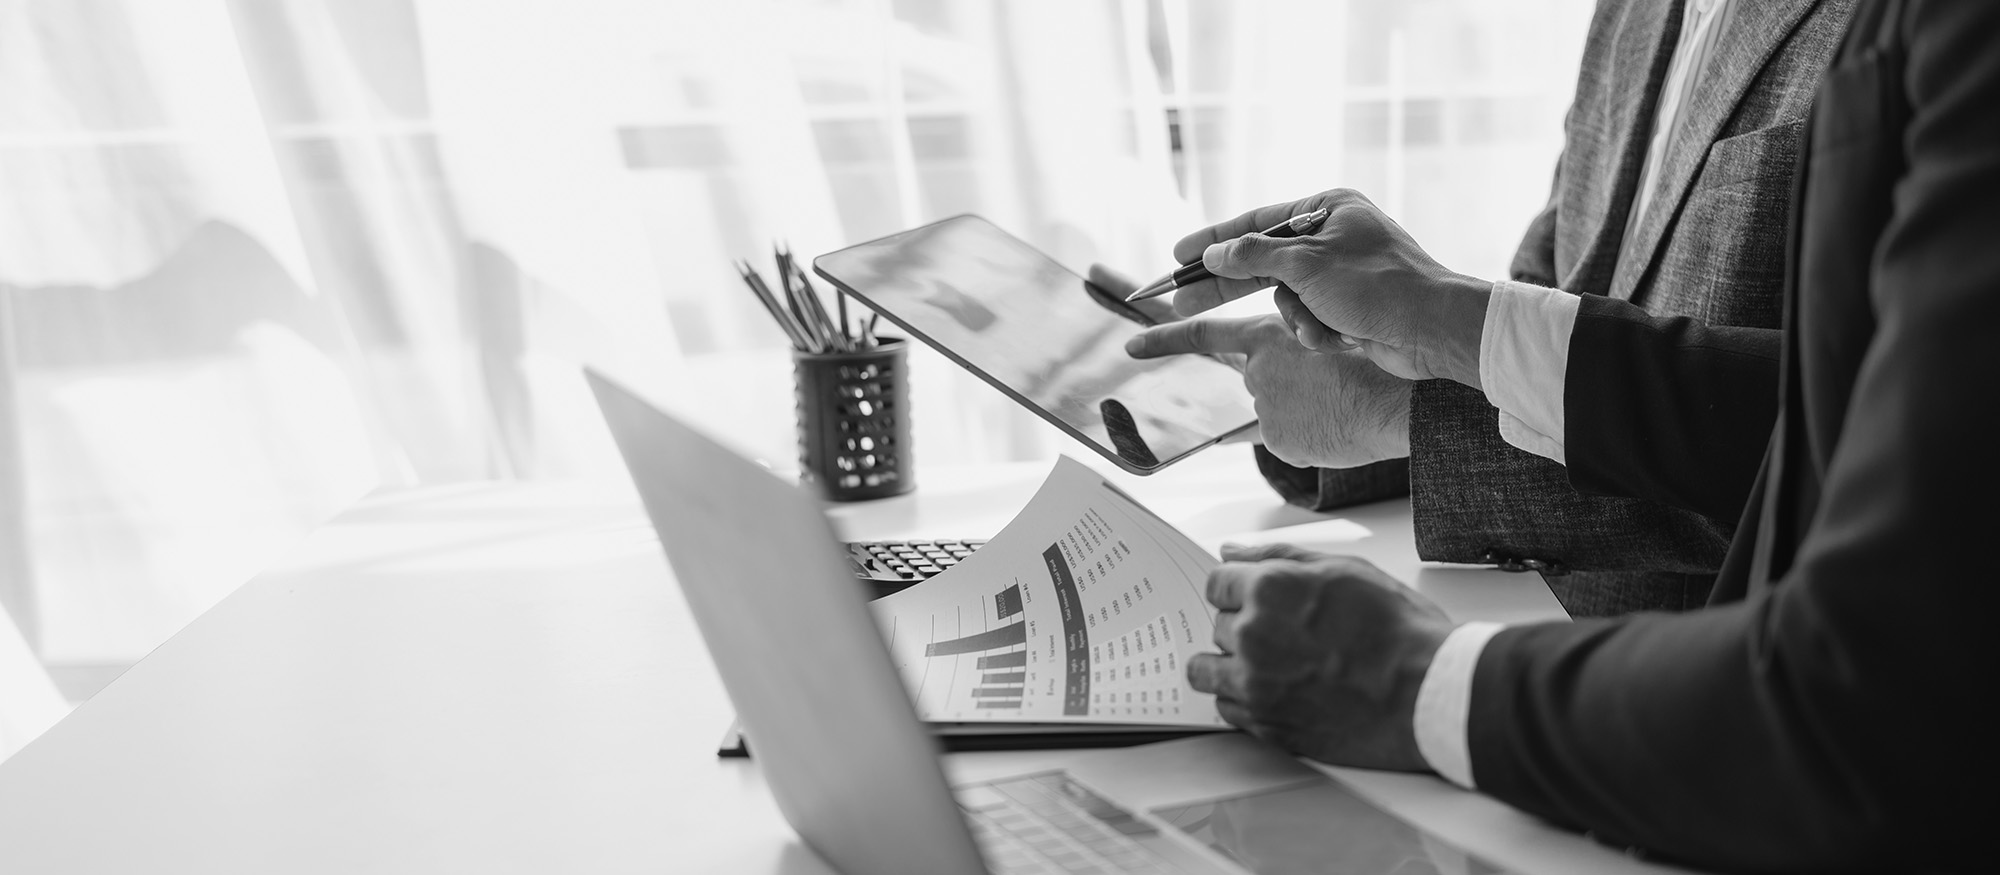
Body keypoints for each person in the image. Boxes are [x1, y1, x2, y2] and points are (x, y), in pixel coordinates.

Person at [1175, 1, 1999, 868]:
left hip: (1710, 753)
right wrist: (1380, 365)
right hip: (1588, 737)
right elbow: (1552, 301)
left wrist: (1417, 672)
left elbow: (1823, 451)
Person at [1100, 0, 1856, 617]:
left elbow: (1848, 444)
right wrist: (1353, 360)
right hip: (1528, 635)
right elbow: (1555, 296)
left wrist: (1404, 410)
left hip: (1723, 705)